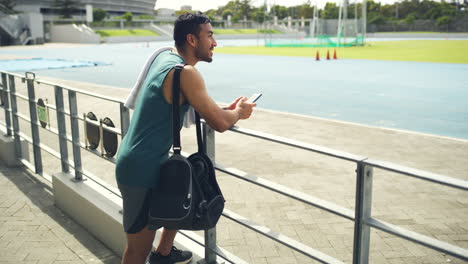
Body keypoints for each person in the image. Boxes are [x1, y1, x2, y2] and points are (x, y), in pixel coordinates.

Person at [115, 12, 256, 264]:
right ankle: (158, 254)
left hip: (145, 160)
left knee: (185, 182)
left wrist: (224, 110)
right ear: (192, 40)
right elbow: (220, 123)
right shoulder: (186, 73)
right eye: (210, 36)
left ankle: (165, 253)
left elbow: (205, 108)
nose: (215, 43)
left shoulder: (165, 57)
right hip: (140, 168)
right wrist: (239, 112)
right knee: (137, 251)